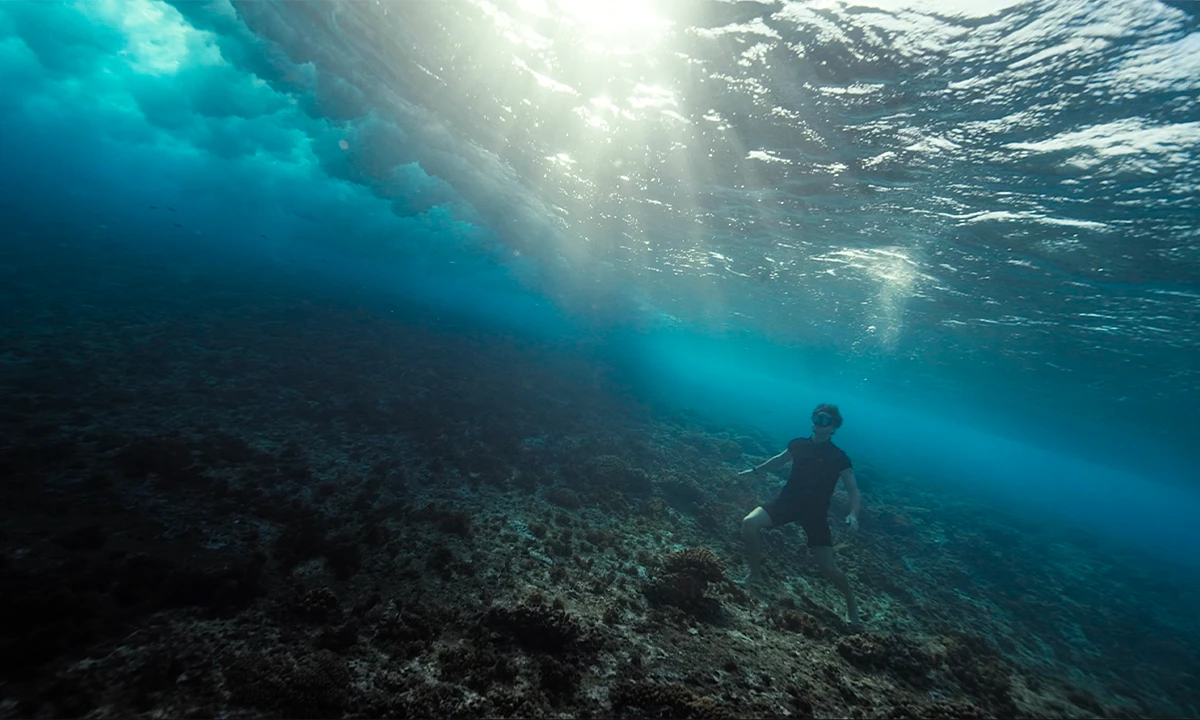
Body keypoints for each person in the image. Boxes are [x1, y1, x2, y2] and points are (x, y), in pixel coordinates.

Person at [737, 403, 862, 628]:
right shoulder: (798, 444)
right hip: (787, 503)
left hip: (815, 515)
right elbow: (777, 460)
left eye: (824, 420)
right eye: (816, 417)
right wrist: (756, 470)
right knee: (749, 523)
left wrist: (853, 514)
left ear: (833, 427)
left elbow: (853, 490)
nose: (817, 423)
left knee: (828, 568)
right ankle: (754, 574)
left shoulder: (839, 458)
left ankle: (852, 607)